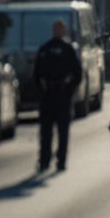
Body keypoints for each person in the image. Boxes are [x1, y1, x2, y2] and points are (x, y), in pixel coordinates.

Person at [34, 17, 83, 172]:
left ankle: (61, 161)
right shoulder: (45, 49)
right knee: (45, 131)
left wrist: (69, 90)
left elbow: (77, 74)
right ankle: (44, 160)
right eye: (55, 28)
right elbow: (36, 74)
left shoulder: (68, 50)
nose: (57, 31)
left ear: (64, 30)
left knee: (63, 131)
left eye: (60, 28)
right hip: (48, 96)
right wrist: (41, 91)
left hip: (63, 96)